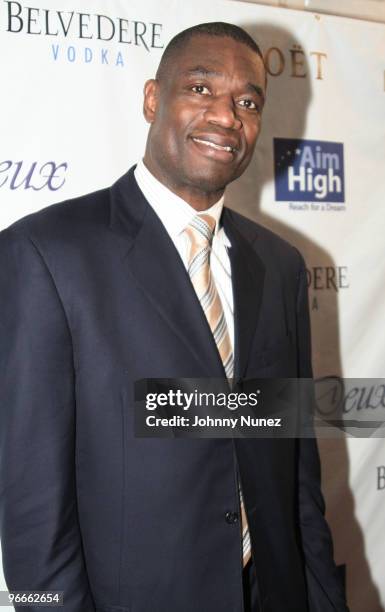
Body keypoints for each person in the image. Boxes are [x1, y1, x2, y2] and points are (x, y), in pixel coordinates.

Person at [0, 22, 349, 612]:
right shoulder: (46, 254)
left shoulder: (281, 265)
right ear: (152, 99)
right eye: (201, 88)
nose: (226, 117)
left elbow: (295, 474)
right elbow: (33, 504)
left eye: (247, 101)